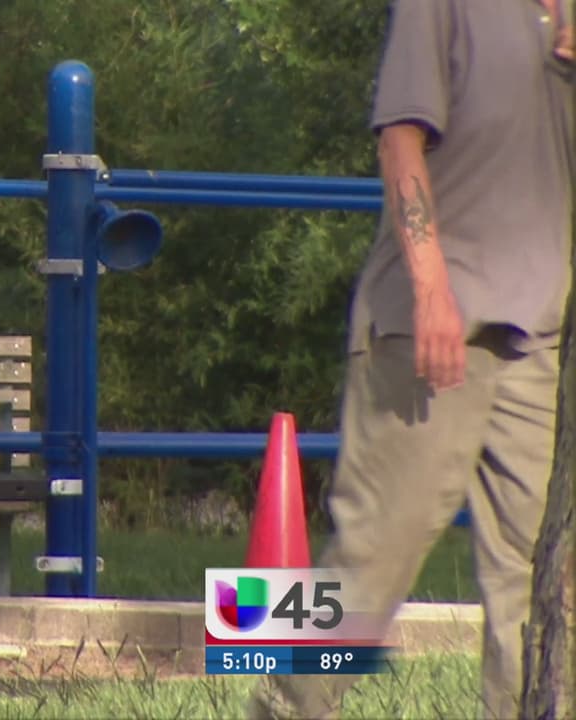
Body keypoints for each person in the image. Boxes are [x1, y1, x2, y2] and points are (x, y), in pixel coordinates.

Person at [249, 1, 573, 718]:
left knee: (542, 582)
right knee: (371, 560)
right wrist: (431, 292)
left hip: (537, 337)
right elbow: (399, 141)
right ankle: (281, 704)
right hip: (431, 327)